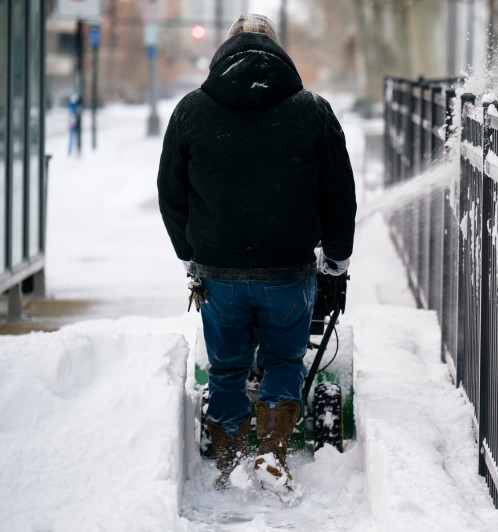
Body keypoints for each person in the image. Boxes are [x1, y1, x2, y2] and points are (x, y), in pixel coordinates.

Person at [157, 13, 356, 495]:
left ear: (223, 52)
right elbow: (339, 194)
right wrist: (337, 258)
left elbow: (171, 192)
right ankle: (271, 450)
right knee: (286, 361)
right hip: (289, 269)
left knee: (226, 367)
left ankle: (230, 458)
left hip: (218, 271)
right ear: (279, 53)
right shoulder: (312, 110)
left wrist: (189, 254)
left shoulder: (191, 110)